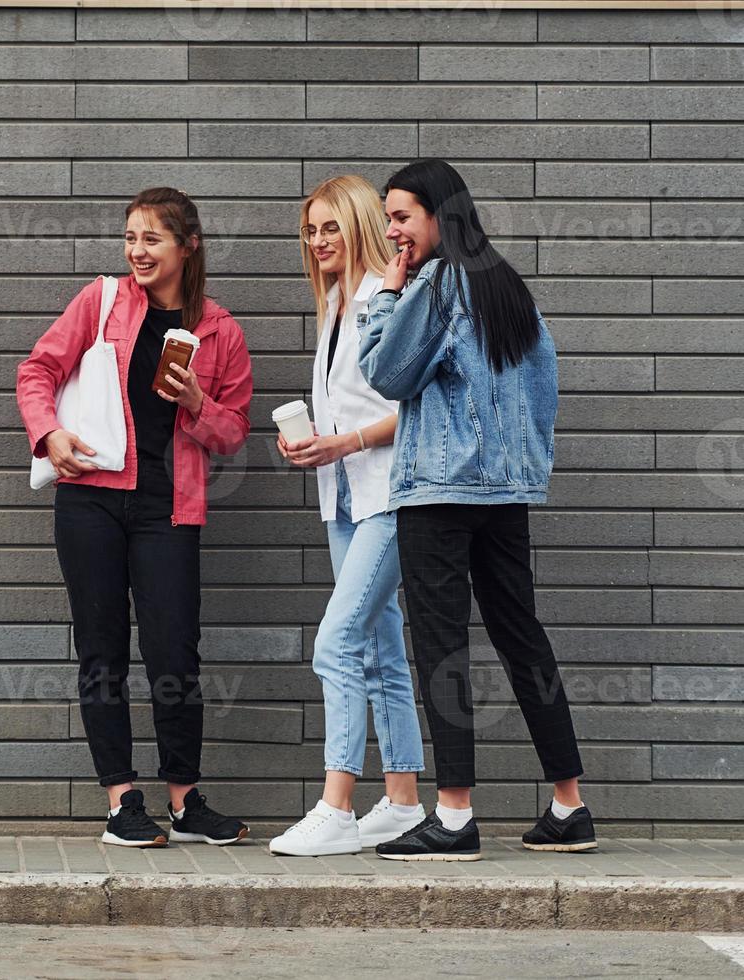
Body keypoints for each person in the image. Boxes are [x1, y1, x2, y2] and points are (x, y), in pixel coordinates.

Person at [358, 159, 597, 861]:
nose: (393, 232)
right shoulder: (506, 284)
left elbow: (384, 372)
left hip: (439, 489)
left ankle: (455, 816)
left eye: (402, 217)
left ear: (440, 213)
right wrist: (521, 467)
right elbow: (545, 386)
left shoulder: (434, 282)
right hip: (505, 493)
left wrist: (386, 295)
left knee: (442, 647)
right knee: (523, 637)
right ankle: (568, 805)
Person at [17, 187, 254, 847]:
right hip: (90, 494)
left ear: (188, 245)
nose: (137, 251)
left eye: (152, 239)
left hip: (168, 507)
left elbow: (233, 433)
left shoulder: (220, 330)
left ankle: (186, 800)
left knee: (174, 649)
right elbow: (36, 371)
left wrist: (199, 401)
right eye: (131, 238)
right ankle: (123, 801)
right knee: (102, 651)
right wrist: (50, 435)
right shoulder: (101, 302)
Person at [268, 176, 427, 857]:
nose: (319, 241)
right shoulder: (332, 305)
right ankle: (403, 803)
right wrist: (306, 439)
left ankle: (336, 807)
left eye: (330, 227)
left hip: (389, 496)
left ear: (360, 224)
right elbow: (346, 408)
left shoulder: (384, 301)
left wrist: (345, 441)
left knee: (334, 643)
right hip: (343, 498)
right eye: (310, 231)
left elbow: (416, 409)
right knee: (379, 647)